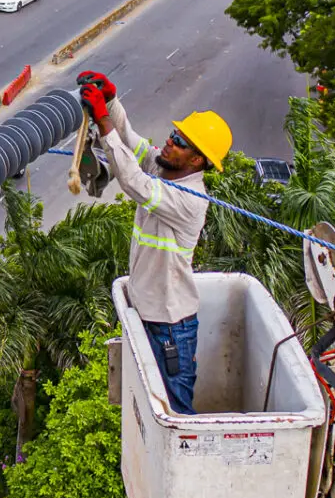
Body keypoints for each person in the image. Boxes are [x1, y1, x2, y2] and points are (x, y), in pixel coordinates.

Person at [78, 70, 231, 414]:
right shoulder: (163, 168)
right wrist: (113, 103)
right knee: (151, 404)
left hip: (170, 328)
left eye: (180, 141)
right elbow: (132, 143)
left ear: (197, 160)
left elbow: (132, 181)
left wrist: (101, 118)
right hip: (151, 315)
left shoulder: (190, 198)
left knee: (174, 412)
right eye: (175, 133)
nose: (170, 141)